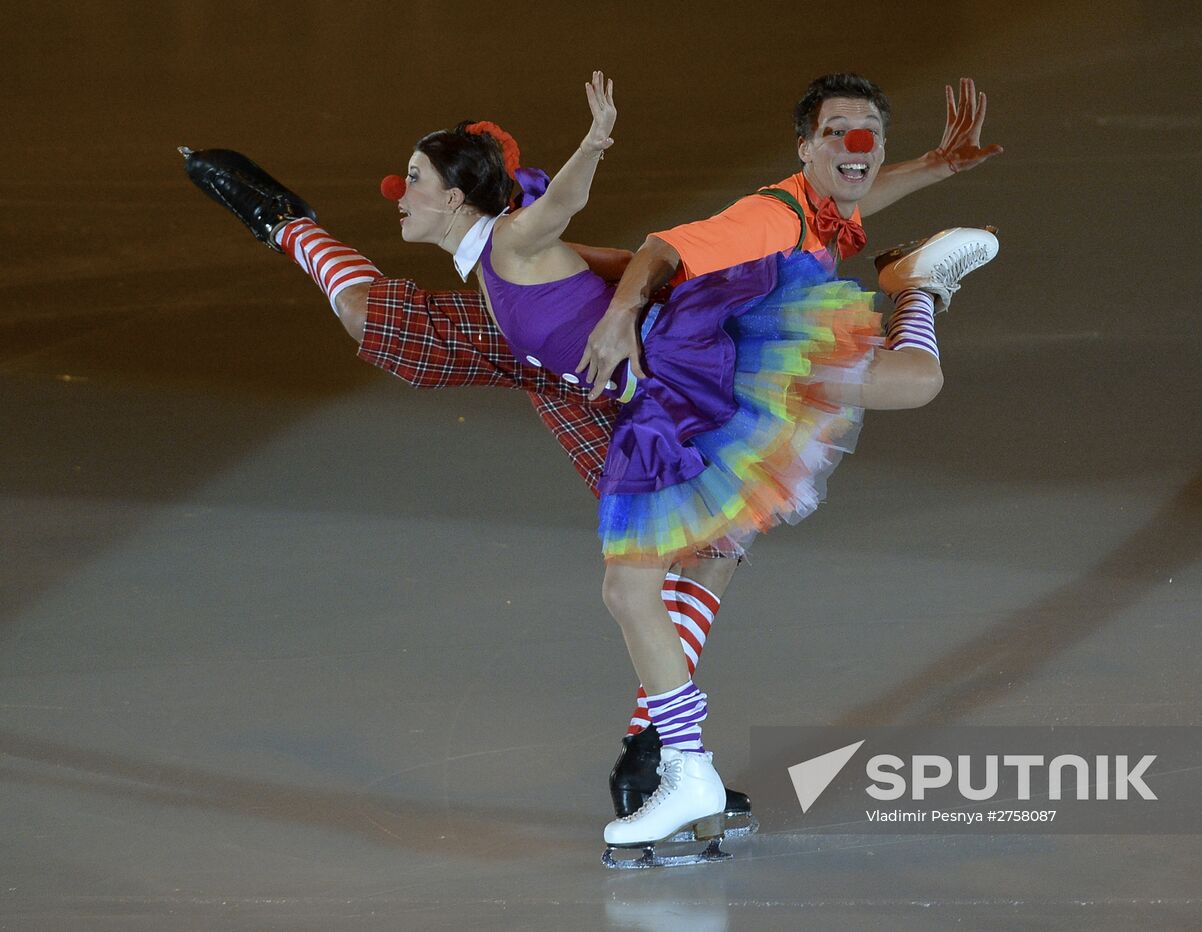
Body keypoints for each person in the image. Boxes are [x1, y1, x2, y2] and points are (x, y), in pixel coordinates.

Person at [181, 70, 1003, 866]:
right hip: (585, 352)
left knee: (706, 543)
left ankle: (663, 752)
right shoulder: (517, 249)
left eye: (415, 181)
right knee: (373, 315)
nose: (397, 190)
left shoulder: (548, 235)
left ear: (457, 196)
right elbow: (649, 248)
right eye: (841, 139)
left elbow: (658, 236)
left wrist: (601, 178)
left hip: (634, 374)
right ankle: (284, 220)